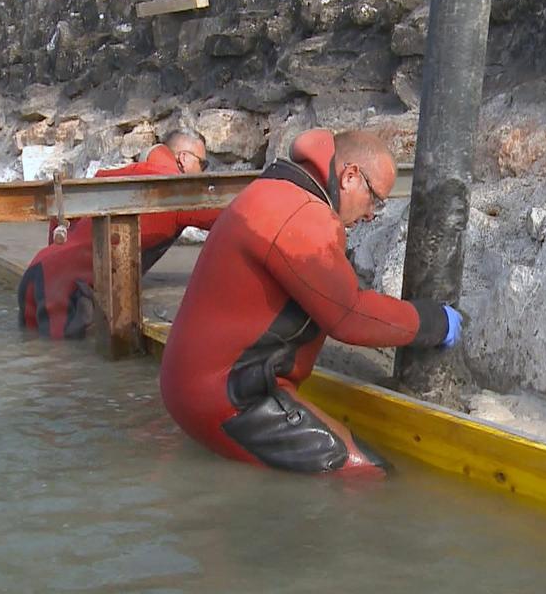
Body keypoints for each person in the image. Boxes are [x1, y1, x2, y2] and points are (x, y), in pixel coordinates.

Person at [159, 129, 463, 477]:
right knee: (370, 475)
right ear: (349, 176)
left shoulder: (275, 192)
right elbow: (349, 316)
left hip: (195, 389)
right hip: (230, 400)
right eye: (375, 200)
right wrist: (434, 323)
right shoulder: (301, 214)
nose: (371, 215)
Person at [17, 129, 223, 339]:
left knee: (35, 353)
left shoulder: (118, 175)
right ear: (184, 159)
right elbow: (233, 217)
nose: (204, 172)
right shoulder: (173, 190)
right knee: (66, 363)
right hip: (66, 287)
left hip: (37, 271)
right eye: (203, 164)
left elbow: (64, 210)